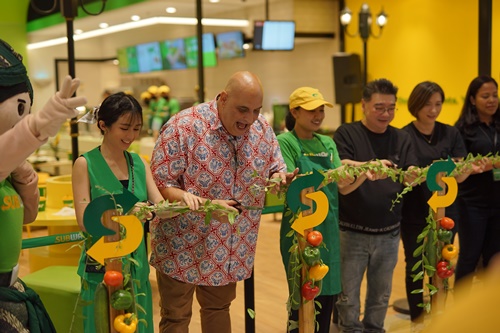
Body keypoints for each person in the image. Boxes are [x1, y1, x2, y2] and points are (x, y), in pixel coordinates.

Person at [150, 71, 298, 333]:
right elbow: (162, 184)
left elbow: (276, 165)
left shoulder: (262, 128)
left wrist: (279, 177)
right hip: (181, 245)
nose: (249, 119)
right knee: (176, 316)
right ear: (223, 98)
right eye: (243, 110)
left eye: (255, 110)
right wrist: (202, 205)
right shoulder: (183, 127)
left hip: (229, 247)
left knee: (218, 309)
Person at [0, 38, 86, 332]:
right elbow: (8, 147)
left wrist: (24, 177)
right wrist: (38, 125)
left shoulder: (10, 171)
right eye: (18, 106)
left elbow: (27, 216)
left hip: (11, 286)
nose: (21, 116)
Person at [72, 92, 167, 333]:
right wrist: (128, 209)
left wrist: (190, 205)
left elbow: (159, 205)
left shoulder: (138, 162)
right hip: (102, 264)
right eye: (125, 128)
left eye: (136, 128)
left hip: (136, 263)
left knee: (137, 324)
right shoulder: (85, 164)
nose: (131, 136)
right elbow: (84, 221)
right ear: (103, 125)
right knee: (102, 324)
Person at [333, 78, 419, 333]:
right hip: (351, 231)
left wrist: (414, 173)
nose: (386, 114)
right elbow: (342, 165)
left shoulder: (401, 138)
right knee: (347, 297)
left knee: (381, 296)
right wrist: (372, 164)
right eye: (379, 107)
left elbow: (409, 169)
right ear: (364, 105)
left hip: (389, 232)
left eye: (391, 108)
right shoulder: (347, 133)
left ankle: (374, 329)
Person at [277, 87, 352, 332]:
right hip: (299, 229)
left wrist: (365, 171)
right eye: (311, 111)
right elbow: (293, 182)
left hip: (327, 228)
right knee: (303, 296)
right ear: (295, 112)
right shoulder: (285, 142)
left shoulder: (327, 142)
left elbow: (342, 183)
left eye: (321, 110)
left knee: (326, 292)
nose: (318, 115)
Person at [400, 81, 468, 328]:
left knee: (442, 263)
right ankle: (418, 320)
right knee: (415, 264)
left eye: (438, 104)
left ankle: (442, 317)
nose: (433, 110)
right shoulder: (404, 135)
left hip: (448, 212)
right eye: (427, 104)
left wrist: (466, 170)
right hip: (414, 213)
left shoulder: (451, 133)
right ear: (415, 105)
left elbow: (460, 172)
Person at [454, 75, 500, 290]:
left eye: (494, 95)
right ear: (472, 100)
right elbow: (458, 167)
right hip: (472, 203)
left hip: (498, 202)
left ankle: (486, 310)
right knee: (469, 257)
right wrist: (485, 166)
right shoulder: (463, 130)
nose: (492, 100)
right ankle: (461, 314)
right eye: (485, 96)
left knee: (494, 259)